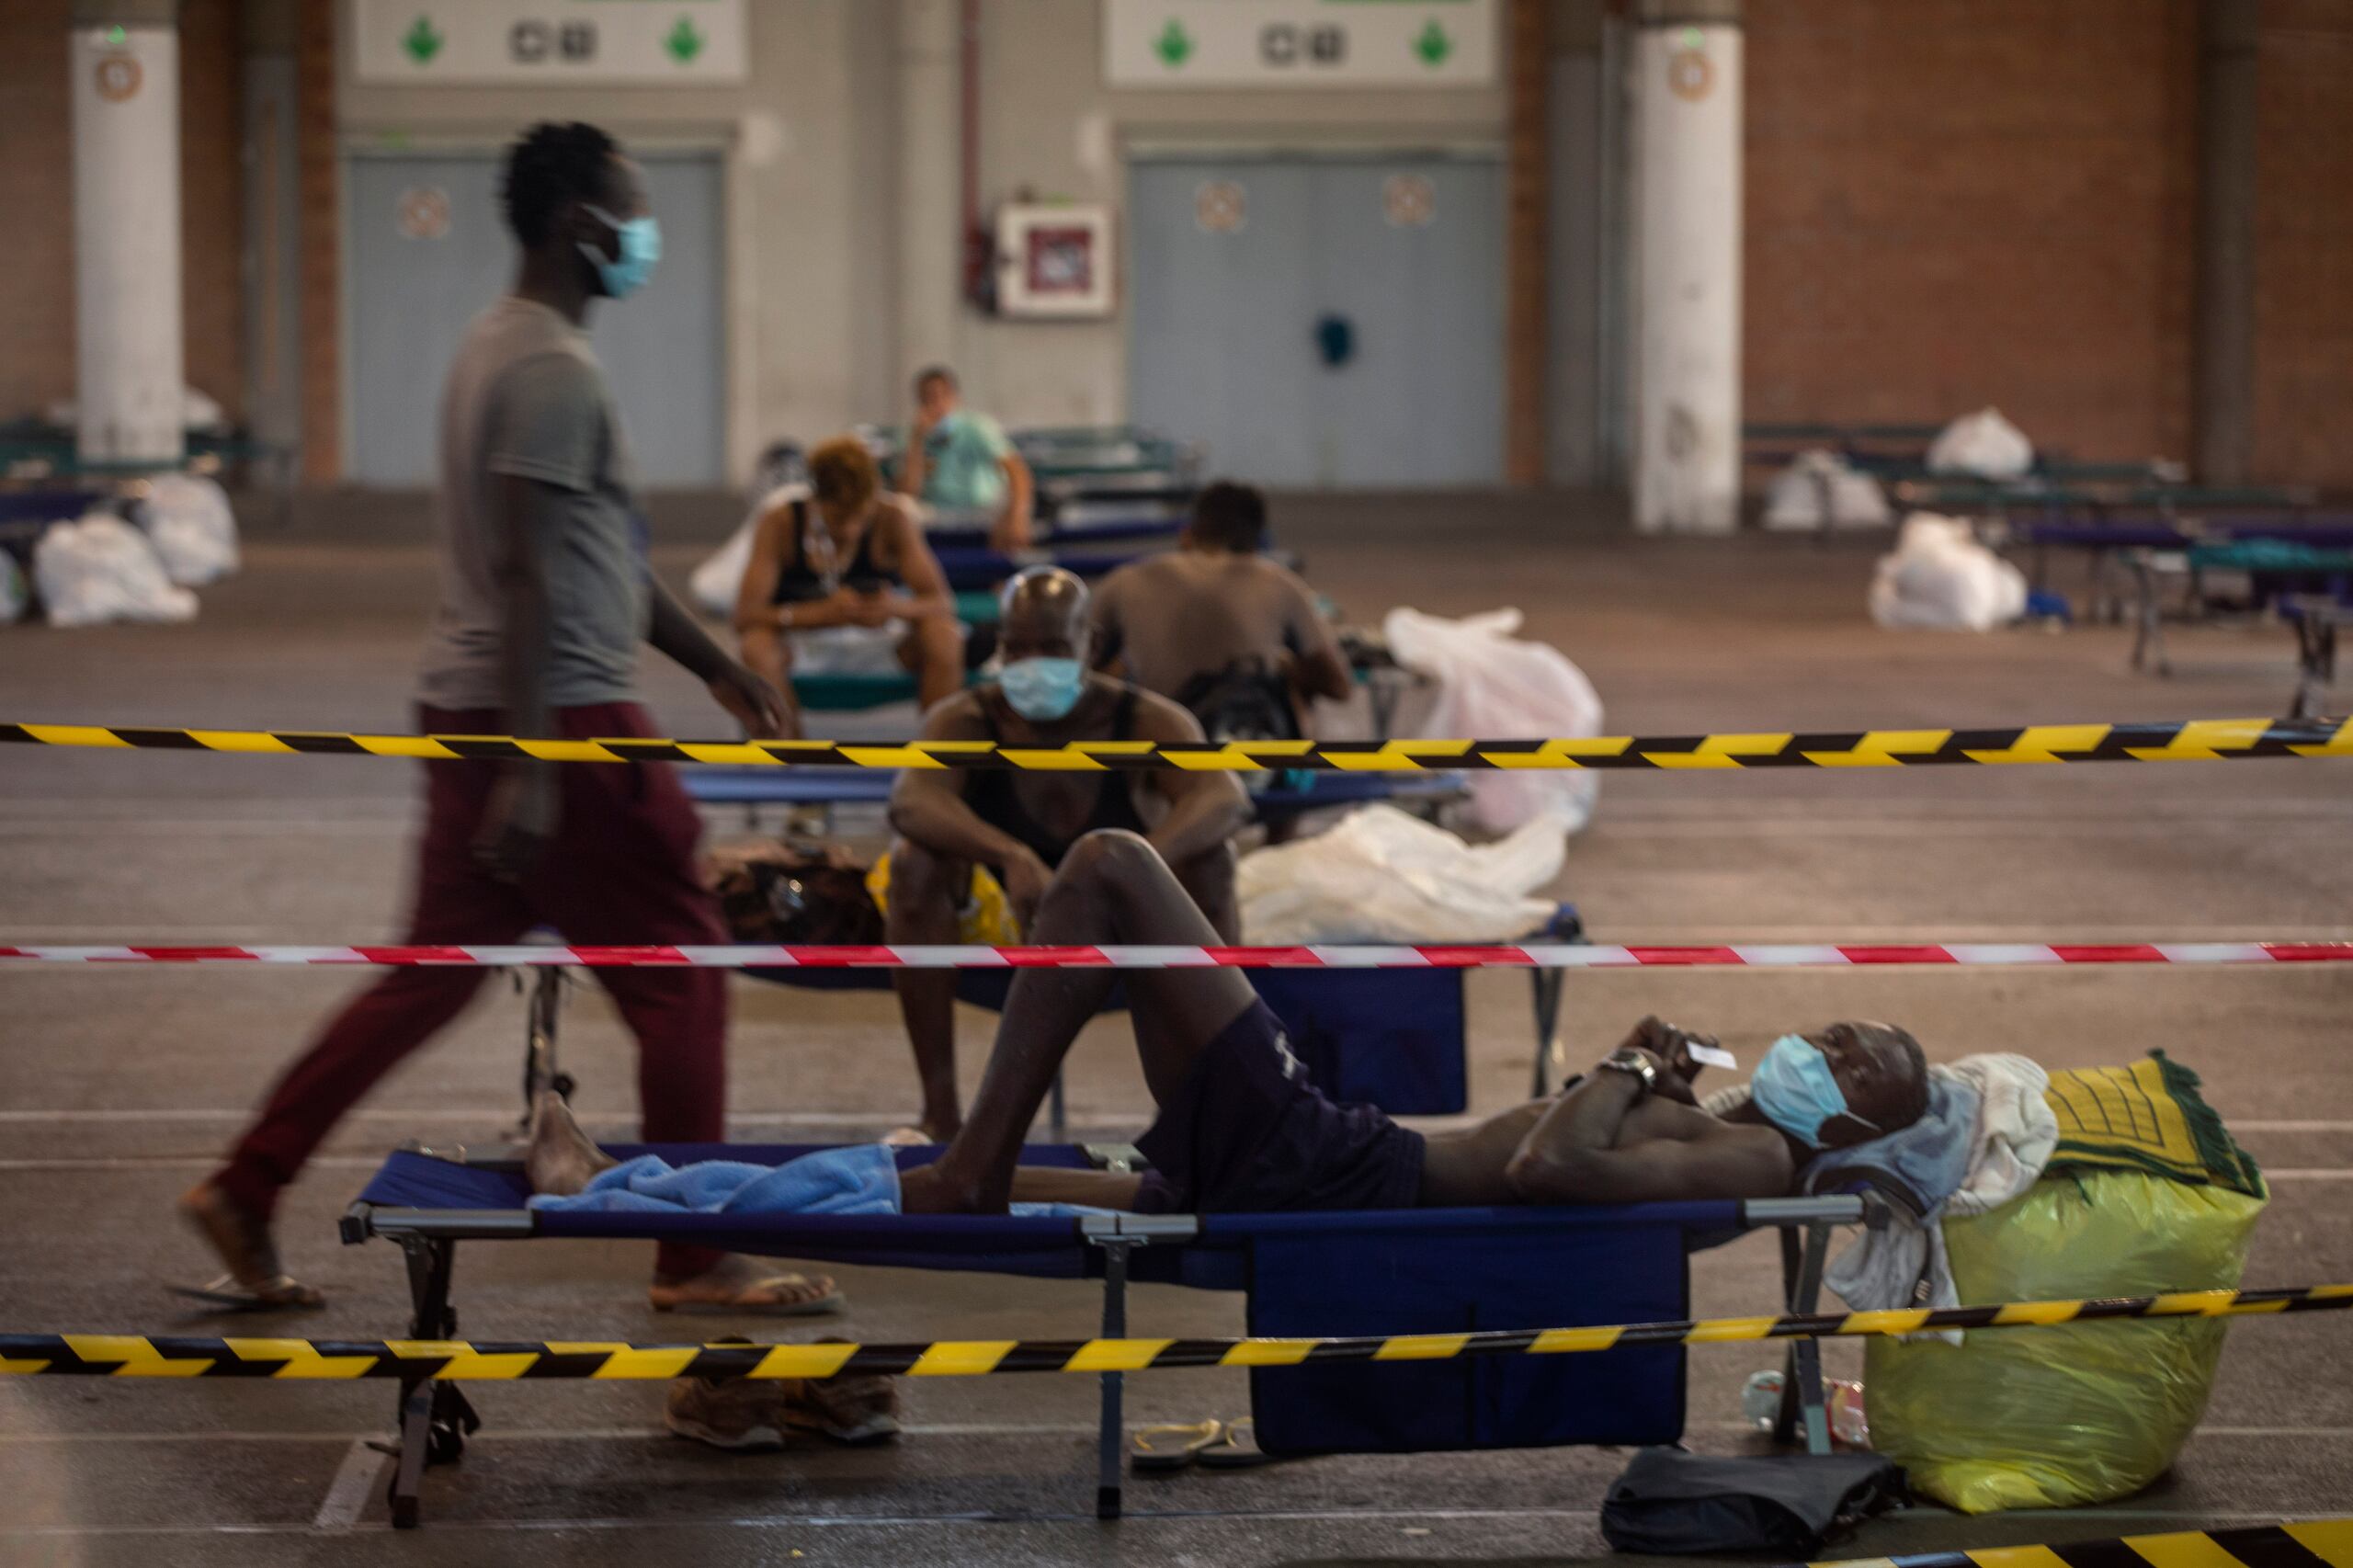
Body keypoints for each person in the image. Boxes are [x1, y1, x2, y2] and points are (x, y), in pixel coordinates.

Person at [176, 121, 838, 1317]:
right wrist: (535, 766)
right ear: (580, 225)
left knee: (429, 975)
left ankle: (247, 1182)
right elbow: (537, 573)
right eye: (631, 214)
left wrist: (717, 670)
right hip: (563, 718)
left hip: (478, 702)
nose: (645, 237)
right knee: (684, 976)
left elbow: (601, 557)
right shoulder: (549, 370)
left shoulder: (499, 348)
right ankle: (693, 1254)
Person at [895, 830, 1932, 1216]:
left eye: (1853, 1066)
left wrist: (1619, 1063)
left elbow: (1546, 1169)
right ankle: (938, 1170)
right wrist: (1653, 1081)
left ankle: (969, 1171)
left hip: (1341, 1171)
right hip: (1338, 1167)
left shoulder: (1756, 1156)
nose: (1827, 1044)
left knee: (1109, 865)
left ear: (1851, 1131)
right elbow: (1591, 1154)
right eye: (1839, 1029)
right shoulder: (1726, 1123)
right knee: (1108, 1188)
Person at [881, 567, 1250, 1140]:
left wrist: (1134, 866)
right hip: (1010, 923)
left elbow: (1224, 797)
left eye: (1052, 647)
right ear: (999, 648)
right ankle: (940, 1111)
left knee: (1213, 861)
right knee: (914, 863)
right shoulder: (966, 720)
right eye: (1017, 648)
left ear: (1090, 646)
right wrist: (1010, 855)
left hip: (1124, 926)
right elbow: (910, 802)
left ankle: (1199, 1114)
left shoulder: (1146, 721)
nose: (1033, 664)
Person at [733, 435, 963, 734]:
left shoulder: (893, 518)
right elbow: (745, 616)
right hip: (805, 645)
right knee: (756, 647)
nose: (851, 530)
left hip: (878, 641)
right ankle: (787, 757)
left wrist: (894, 608)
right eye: (839, 519)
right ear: (816, 500)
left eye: (860, 517)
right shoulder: (781, 522)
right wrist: (818, 614)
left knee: (945, 636)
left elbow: (942, 602)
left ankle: (940, 756)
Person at [1090, 481, 1351, 744]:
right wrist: (1285, 665)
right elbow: (1338, 686)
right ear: (1258, 540)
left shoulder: (1127, 581)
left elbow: (1079, 673)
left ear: (1188, 534)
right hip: (1252, 753)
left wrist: (1127, 666)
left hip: (1160, 755)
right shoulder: (1280, 585)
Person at [898, 365, 1035, 551]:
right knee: (898, 514)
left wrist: (1019, 516)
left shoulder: (978, 428)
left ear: (955, 398)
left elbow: (1017, 473)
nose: (936, 405)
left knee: (1007, 509)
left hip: (983, 511)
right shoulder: (912, 436)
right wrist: (917, 443)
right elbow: (908, 493)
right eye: (928, 399)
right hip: (936, 513)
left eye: (942, 396)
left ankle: (998, 576)